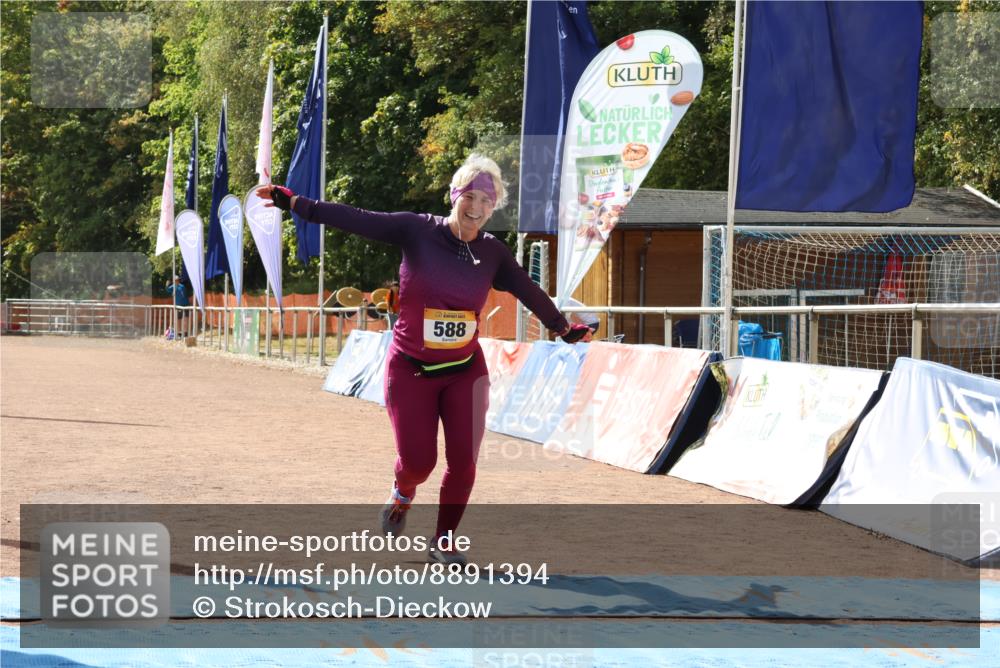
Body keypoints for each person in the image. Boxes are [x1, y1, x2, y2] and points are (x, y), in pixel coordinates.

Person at [256, 154, 589, 566]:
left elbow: (528, 290)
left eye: (487, 201)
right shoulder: (417, 230)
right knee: (418, 464)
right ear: (454, 195)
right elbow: (357, 218)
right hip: (411, 369)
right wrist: (296, 203)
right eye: (470, 196)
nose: (477, 207)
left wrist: (562, 327)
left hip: (464, 371)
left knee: (464, 463)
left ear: (494, 207)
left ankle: (443, 542)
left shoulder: (493, 253)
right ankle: (402, 492)